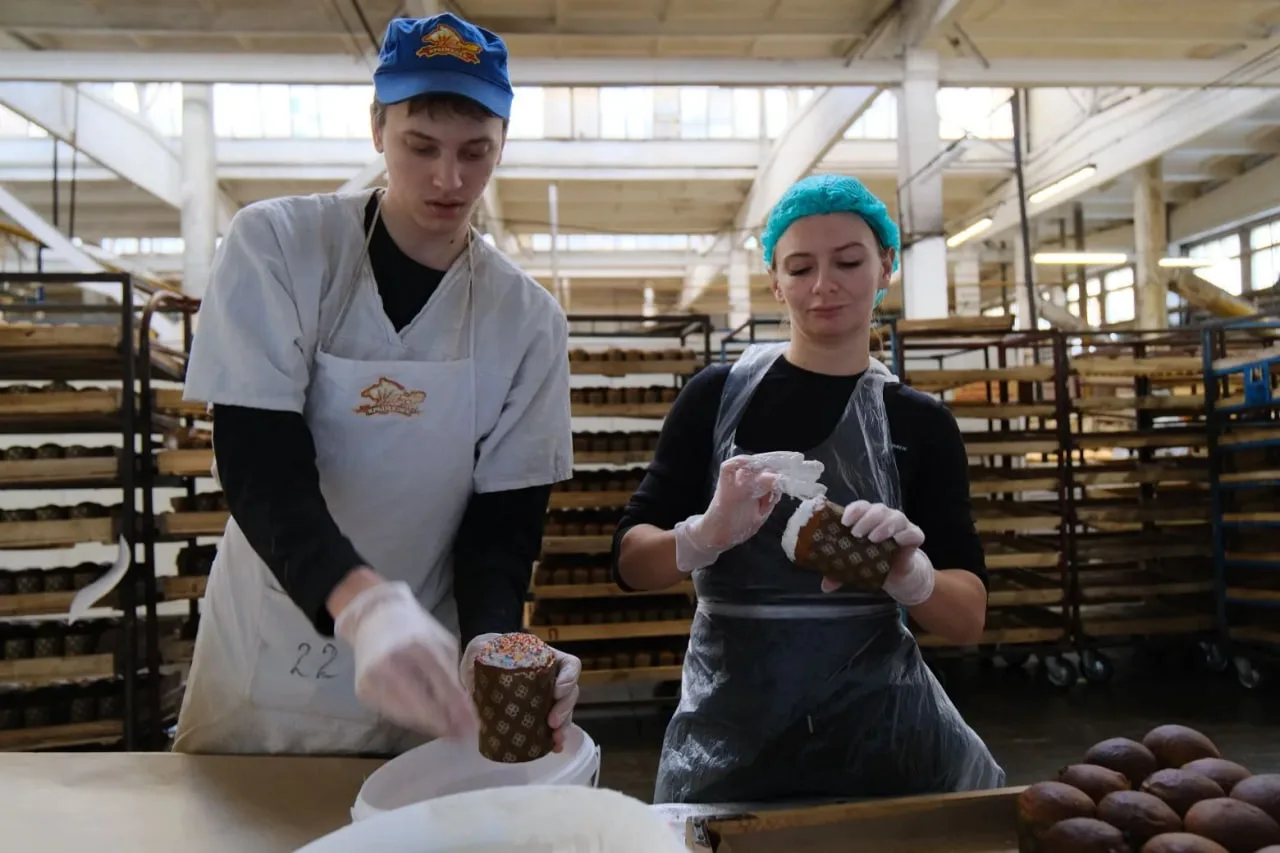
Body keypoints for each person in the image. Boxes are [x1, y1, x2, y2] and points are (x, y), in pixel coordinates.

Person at [172, 12, 581, 756]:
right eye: (420, 147)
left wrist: (495, 646)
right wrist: (361, 605)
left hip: (422, 667)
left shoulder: (525, 319)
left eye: (475, 152)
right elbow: (260, 463)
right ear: (376, 129)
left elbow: (503, 526)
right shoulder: (281, 247)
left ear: (502, 143)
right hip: (270, 649)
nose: (449, 179)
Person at [613, 174, 1006, 804]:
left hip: (885, 743)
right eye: (799, 268)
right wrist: (703, 536)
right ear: (775, 281)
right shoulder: (716, 400)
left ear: (886, 266)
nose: (824, 285)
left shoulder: (919, 423)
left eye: (848, 262)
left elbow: (968, 619)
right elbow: (631, 564)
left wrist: (911, 577)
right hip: (730, 740)